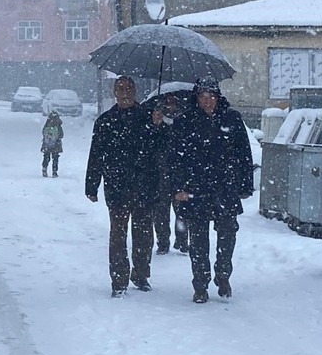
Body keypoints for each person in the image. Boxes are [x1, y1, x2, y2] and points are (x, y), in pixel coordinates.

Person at [170, 76, 254, 304]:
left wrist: (245, 184)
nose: (207, 101)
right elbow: (174, 159)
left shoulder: (232, 119)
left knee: (228, 234)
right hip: (195, 189)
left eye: (211, 96)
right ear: (196, 98)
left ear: (218, 97)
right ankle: (200, 284)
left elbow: (244, 155)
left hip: (225, 188)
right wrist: (178, 188)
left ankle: (223, 274)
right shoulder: (184, 122)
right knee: (198, 240)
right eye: (203, 96)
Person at [86, 76, 163, 298]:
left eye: (129, 89)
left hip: (144, 184)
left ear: (135, 91)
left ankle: (140, 274)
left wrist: (157, 127)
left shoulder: (148, 117)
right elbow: (96, 155)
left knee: (143, 233)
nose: (125, 93)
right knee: (117, 235)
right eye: (121, 89)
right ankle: (118, 279)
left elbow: (160, 149)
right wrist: (92, 185)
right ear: (114, 93)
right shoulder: (105, 121)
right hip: (117, 186)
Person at [148, 92, 189, 255]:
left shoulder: (183, 122)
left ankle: (182, 241)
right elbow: (150, 145)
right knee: (161, 211)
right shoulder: (157, 121)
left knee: (182, 210)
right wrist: (155, 126)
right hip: (160, 173)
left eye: (173, 103)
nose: (170, 105)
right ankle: (163, 242)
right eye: (167, 103)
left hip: (179, 174)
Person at [40, 111, 63, 177]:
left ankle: (44, 168)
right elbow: (61, 135)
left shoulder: (47, 124)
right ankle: (54, 171)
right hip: (56, 144)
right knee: (55, 158)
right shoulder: (58, 125)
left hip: (47, 144)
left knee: (46, 157)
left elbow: (43, 132)